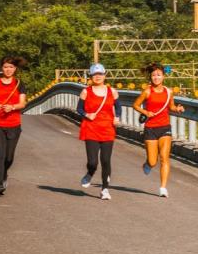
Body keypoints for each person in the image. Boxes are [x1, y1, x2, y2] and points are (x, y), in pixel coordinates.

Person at [133, 63, 183, 198]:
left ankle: (163, 187)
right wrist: (146, 112)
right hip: (150, 128)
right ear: (150, 77)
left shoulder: (169, 91)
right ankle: (148, 164)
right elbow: (135, 105)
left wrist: (177, 109)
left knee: (165, 158)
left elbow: (171, 106)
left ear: (163, 76)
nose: (156, 77)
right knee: (153, 161)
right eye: (154, 75)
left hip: (165, 127)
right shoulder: (147, 91)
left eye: (159, 75)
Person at [77, 64, 122, 200]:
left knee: (106, 160)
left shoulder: (112, 91)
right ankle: (90, 173)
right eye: (94, 75)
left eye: (100, 74)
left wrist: (117, 117)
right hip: (91, 128)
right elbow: (79, 108)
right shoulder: (86, 92)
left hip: (108, 129)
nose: (97, 77)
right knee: (93, 162)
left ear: (104, 75)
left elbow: (118, 107)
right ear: (91, 77)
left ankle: (105, 189)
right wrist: (87, 114)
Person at [0, 56, 27, 196]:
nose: (8, 70)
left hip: (14, 124)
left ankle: (4, 174)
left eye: (11, 67)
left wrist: (13, 107)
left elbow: (23, 103)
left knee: (9, 157)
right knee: (0, 154)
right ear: (1, 68)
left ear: (15, 68)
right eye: (5, 67)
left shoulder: (19, 83)